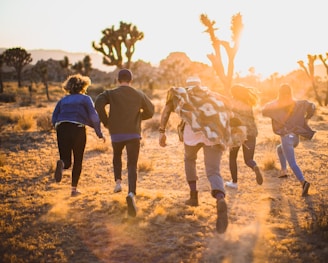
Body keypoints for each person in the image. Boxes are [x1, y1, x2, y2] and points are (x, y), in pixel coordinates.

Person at [158, 76, 232, 234]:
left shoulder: (182, 95)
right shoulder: (212, 96)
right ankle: (220, 197)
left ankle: (193, 196)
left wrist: (162, 131)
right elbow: (228, 107)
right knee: (213, 170)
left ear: (187, 86)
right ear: (201, 85)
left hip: (191, 135)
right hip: (212, 134)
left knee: (189, 160)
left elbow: (166, 111)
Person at [95, 69, 154, 217]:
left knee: (117, 156)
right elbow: (151, 110)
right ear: (131, 80)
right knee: (132, 164)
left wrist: (106, 121)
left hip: (116, 133)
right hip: (133, 133)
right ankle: (131, 193)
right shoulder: (138, 94)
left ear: (118, 80)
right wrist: (139, 116)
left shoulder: (110, 94)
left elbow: (98, 104)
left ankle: (118, 183)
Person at [52, 74, 105, 197]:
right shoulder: (85, 99)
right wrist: (99, 133)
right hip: (77, 129)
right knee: (78, 160)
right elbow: (93, 116)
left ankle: (62, 164)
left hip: (62, 128)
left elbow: (54, 117)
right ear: (83, 86)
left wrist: (58, 127)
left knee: (66, 160)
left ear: (68, 87)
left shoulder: (62, 100)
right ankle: (74, 190)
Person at [262, 83, 316, 197]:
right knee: (279, 149)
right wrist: (306, 118)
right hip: (296, 138)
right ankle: (283, 171)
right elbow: (312, 106)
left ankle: (303, 182)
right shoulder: (298, 103)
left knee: (292, 162)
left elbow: (264, 110)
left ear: (279, 93)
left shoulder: (276, 104)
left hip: (286, 137)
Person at [225, 84, 263, 189]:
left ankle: (234, 182)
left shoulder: (232, 103)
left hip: (238, 132)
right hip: (251, 132)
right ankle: (254, 166)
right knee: (248, 159)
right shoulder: (248, 103)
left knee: (232, 157)